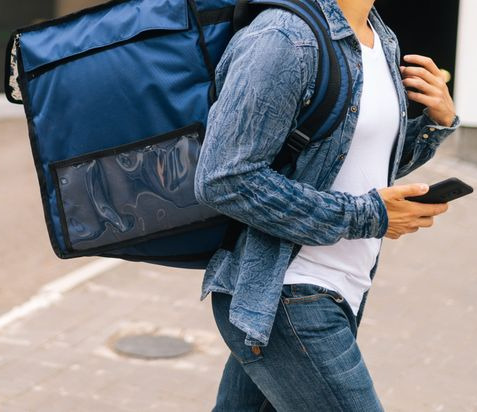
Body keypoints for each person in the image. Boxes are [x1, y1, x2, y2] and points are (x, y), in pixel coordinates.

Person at [193, 0, 460, 409]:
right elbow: (224, 178)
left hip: (344, 286)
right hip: (287, 293)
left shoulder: (380, 39)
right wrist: (371, 215)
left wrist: (434, 125)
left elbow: (359, 163)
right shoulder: (283, 38)